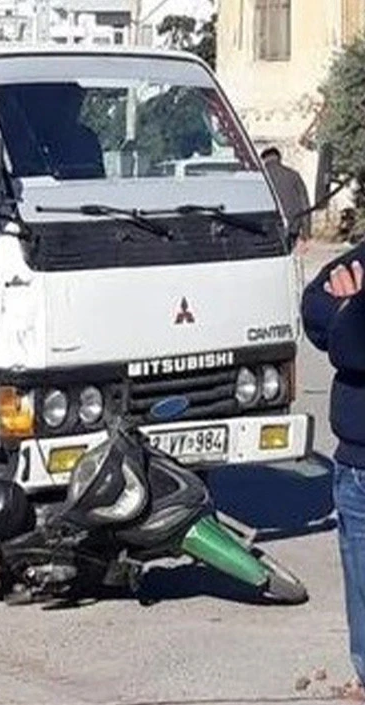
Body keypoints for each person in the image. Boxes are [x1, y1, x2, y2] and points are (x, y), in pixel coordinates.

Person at [303, 251, 365, 699]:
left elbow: (350, 345)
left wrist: (347, 312)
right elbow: (312, 306)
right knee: (361, 586)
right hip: (356, 464)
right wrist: (346, 312)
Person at [262, 147, 312, 241]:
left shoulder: (260, 177)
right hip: (291, 227)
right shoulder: (293, 175)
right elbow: (305, 204)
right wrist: (306, 231)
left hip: (265, 229)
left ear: (263, 159)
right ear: (279, 158)